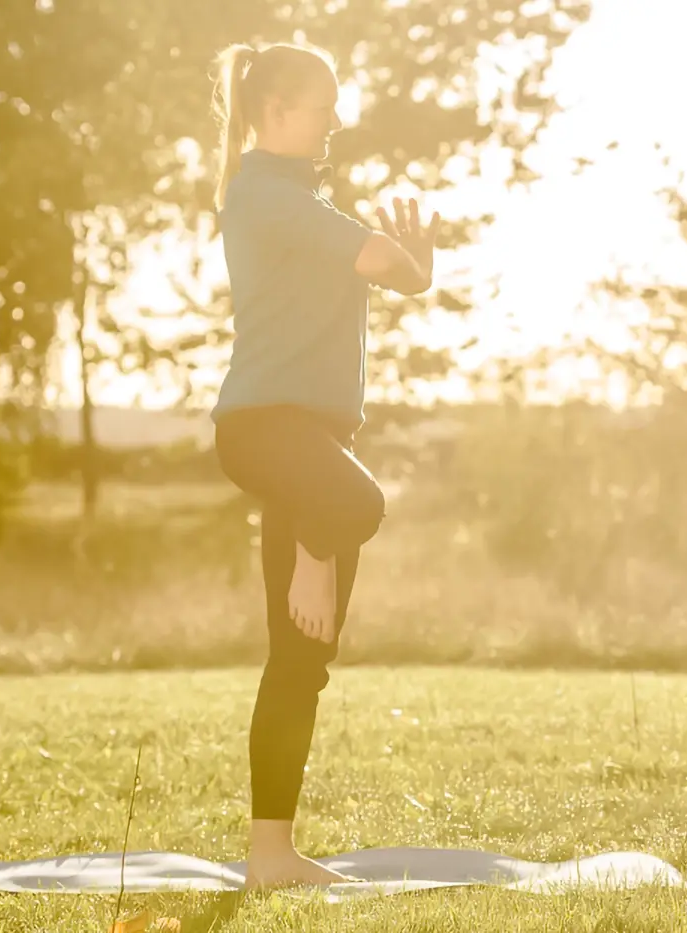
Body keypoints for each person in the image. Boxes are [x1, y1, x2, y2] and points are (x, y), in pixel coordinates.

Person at [207, 41, 440, 890]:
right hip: (269, 428)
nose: (336, 119)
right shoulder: (263, 194)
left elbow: (402, 273)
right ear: (274, 109)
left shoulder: (306, 200)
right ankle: (315, 546)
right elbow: (381, 261)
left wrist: (420, 262)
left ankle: (271, 854)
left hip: (311, 444)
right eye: (322, 105)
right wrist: (318, 547)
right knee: (358, 504)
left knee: (302, 657)